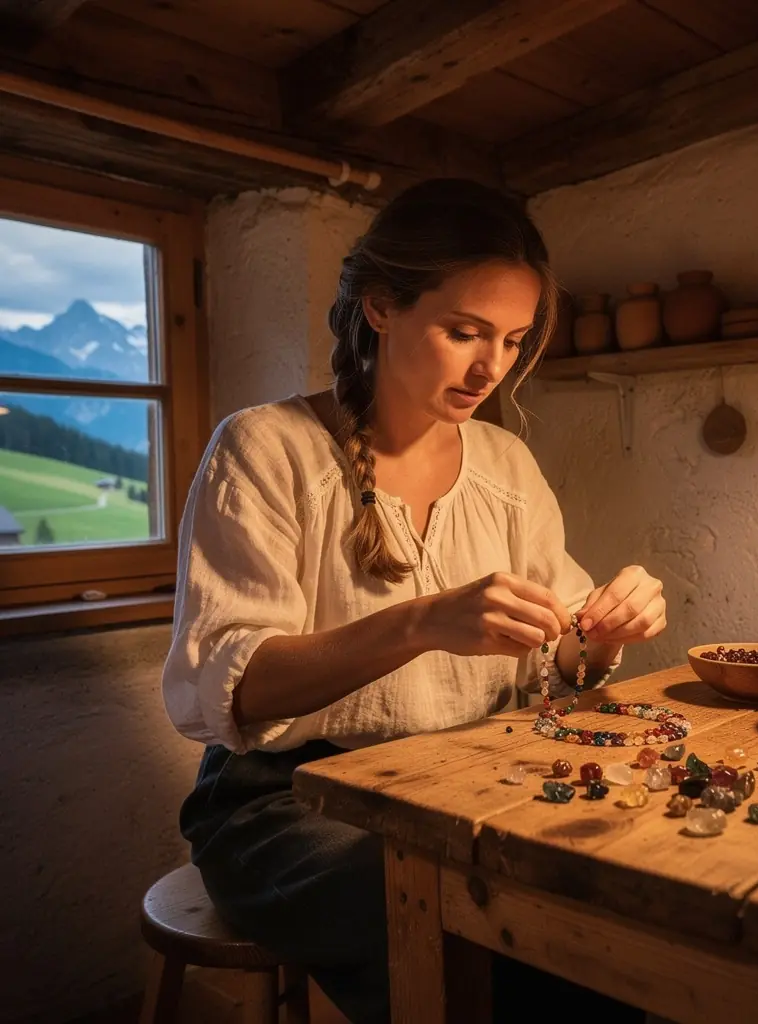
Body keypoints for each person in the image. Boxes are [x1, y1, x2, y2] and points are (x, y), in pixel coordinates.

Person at [162, 178, 667, 1023]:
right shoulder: (265, 450)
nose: (490, 367)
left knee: (608, 903)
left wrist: (603, 635)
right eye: (463, 331)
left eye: (510, 339)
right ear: (382, 306)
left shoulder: (504, 465)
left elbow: (560, 654)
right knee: (483, 929)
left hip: (461, 783)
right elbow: (230, 688)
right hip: (286, 804)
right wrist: (422, 622)